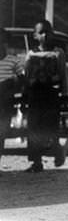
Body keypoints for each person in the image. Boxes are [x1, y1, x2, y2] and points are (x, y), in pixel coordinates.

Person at [22, 19, 68, 172]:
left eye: (48, 32)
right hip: (35, 95)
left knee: (51, 126)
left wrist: (64, 93)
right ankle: (36, 161)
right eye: (41, 33)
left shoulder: (58, 53)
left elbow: (63, 74)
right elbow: (27, 75)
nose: (45, 35)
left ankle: (57, 151)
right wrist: (24, 94)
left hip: (51, 94)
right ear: (35, 36)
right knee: (34, 127)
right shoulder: (31, 54)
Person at [0, 29, 23, 165]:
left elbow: (21, 80)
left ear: (6, 44)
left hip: (5, 102)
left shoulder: (14, 61)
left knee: (1, 133)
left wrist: (13, 83)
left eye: (2, 42)